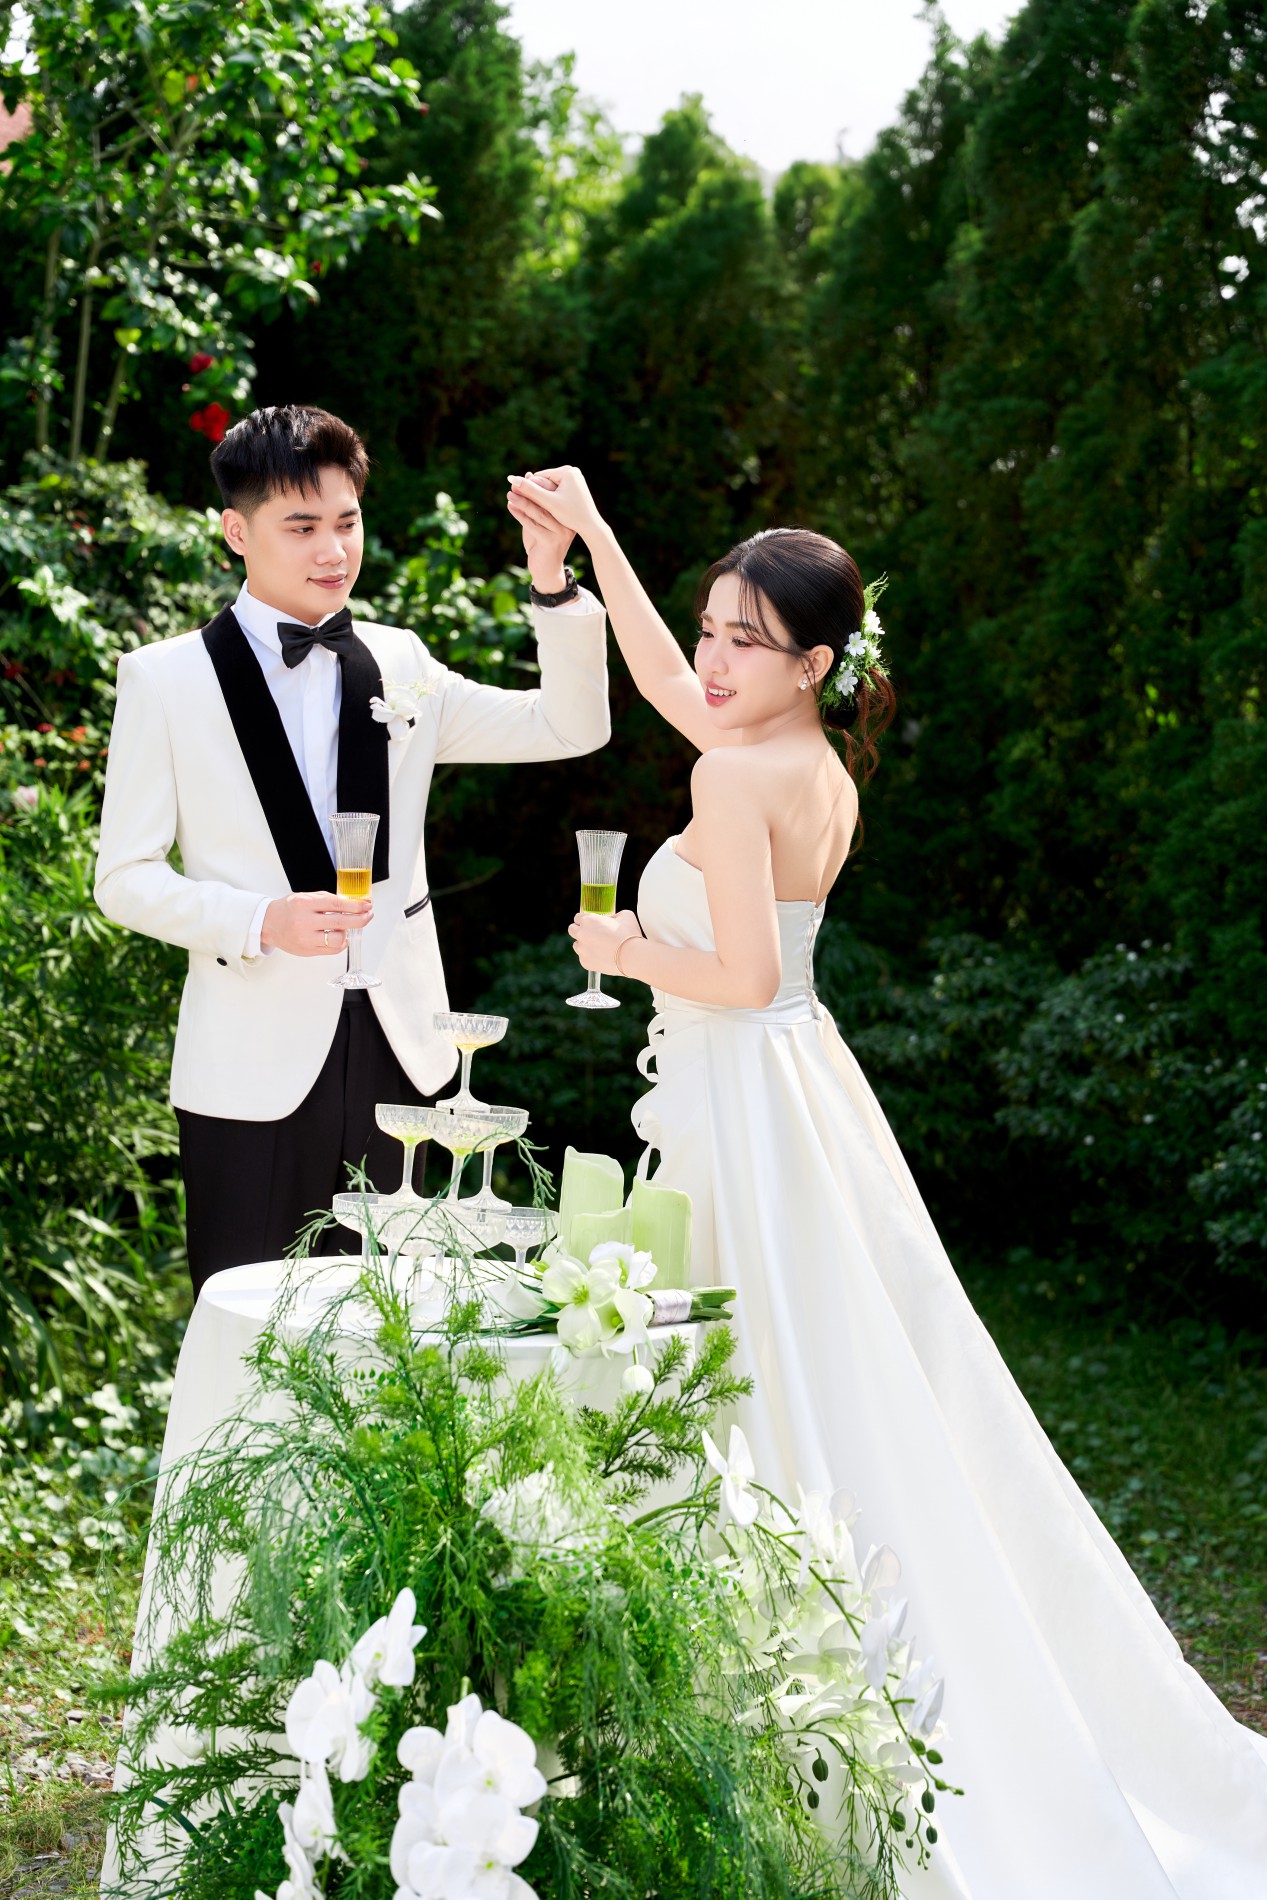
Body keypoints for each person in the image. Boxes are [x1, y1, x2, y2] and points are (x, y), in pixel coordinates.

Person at [506, 465, 1267, 1899]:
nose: (712, 657)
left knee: (756, 1376)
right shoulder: (807, 765)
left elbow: (738, 973)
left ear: (812, 662)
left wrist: (618, 953)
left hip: (748, 1095)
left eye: (744, 640)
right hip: (798, 1085)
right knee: (835, 1366)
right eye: (710, 626)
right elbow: (669, 691)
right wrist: (595, 537)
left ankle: (768, 1699)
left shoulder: (731, 774)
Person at [95, 407, 604, 1298]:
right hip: (250, 1059)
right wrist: (261, 920)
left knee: (396, 1328)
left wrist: (552, 583)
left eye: (347, 521)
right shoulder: (163, 679)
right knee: (249, 1321)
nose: (333, 551)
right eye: (302, 528)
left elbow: (570, 725)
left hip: (404, 1048)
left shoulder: (401, 660)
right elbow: (124, 879)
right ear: (236, 532)